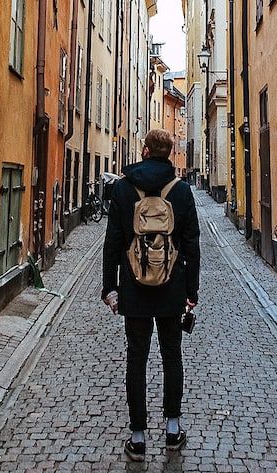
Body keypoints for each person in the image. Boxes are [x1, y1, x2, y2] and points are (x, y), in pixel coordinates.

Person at [101, 129, 200, 462]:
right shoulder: (183, 191)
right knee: (172, 356)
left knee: (136, 359)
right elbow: (192, 245)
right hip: (173, 287)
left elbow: (113, 241)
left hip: (134, 286)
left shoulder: (124, 188)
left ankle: (138, 437)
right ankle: (172, 430)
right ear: (170, 154)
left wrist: (109, 287)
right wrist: (192, 291)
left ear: (144, 151)